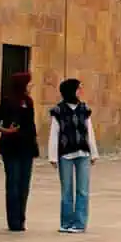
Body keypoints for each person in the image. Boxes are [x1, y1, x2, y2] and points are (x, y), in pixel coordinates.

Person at [47, 77, 99, 233]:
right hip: (65, 154)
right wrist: (53, 156)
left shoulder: (84, 109)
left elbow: (89, 131)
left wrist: (93, 152)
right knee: (67, 190)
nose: (80, 91)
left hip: (82, 153)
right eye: (78, 88)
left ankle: (79, 223)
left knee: (82, 189)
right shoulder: (58, 111)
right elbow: (54, 133)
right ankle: (66, 222)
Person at [0, 71, 37, 231]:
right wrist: (7, 130)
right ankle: (13, 221)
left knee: (24, 184)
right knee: (13, 184)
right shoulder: (7, 101)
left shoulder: (28, 101)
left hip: (27, 148)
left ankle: (21, 219)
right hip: (11, 147)